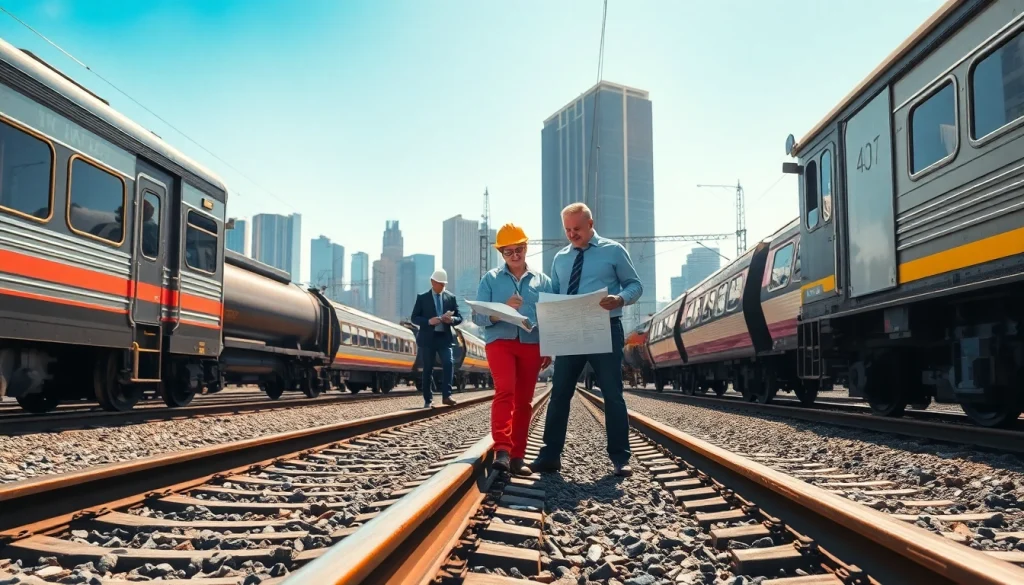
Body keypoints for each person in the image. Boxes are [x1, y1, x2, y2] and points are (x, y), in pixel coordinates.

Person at [531, 202, 643, 477]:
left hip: (604, 327)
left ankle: (620, 458)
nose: (572, 234)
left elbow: (635, 285)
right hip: (569, 331)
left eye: (577, 229)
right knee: (559, 394)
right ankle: (550, 456)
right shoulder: (560, 258)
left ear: (591, 224)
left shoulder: (614, 251)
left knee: (612, 395)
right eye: (568, 230)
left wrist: (620, 298)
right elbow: (556, 295)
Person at [472, 224, 553, 476]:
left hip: (531, 345)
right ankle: (503, 450)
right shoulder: (490, 279)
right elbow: (477, 316)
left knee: (524, 402)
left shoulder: (543, 281)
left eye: (518, 249)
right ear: (501, 253)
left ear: (526, 248)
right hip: (500, 343)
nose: (514, 255)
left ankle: (518, 456)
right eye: (509, 252)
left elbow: (551, 316)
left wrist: (548, 347)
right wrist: (501, 310)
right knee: (505, 391)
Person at [410, 269, 461, 408]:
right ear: (433, 282)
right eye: (440, 283)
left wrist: (451, 319)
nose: (443, 286)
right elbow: (414, 318)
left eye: (444, 284)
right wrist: (428, 321)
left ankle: (447, 396)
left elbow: (459, 317)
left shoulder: (451, 298)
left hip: (444, 338)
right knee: (428, 369)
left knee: (449, 363)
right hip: (428, 339)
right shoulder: (422, 298)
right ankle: (428, 399)